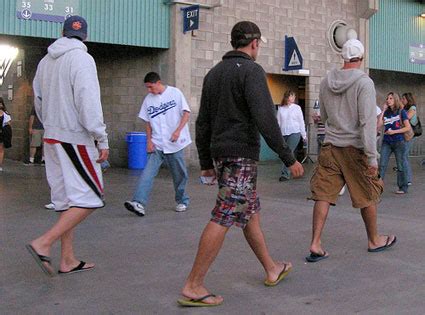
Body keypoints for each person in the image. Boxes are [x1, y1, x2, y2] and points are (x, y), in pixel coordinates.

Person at [178, 21, 304, 307]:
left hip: (222, 156)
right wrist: (289, 158)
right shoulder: (251, 71)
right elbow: (265, 119)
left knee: (249, 212)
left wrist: (207, 162)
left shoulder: (213, 74)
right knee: (224, 214)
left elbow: (203, 123)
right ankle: (193, 285)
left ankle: (272, 268)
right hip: (240, 157)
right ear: (255, 43)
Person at [27, 15, 109, 276]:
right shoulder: (82, 59)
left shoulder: (44, 62)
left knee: (65, 201)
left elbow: (37, 98)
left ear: (62, 33)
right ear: (84, 35)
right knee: (92, 197)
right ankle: (44, 242)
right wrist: (101, 136)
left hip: (52, 136)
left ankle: (68, 260)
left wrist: (49, 123)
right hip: (75, 137)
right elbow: (88, 101)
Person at [306, 39, 396, 263]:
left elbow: (324, 117)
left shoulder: (327, 81)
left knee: (324, 194)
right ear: (361, 59)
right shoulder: (364, 83)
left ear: (343, 58)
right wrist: (372, 157)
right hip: (355, 148)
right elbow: (367, 122)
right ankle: (374, 239)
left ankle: (316, 243)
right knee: (367, 194)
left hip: (330, 146)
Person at [124, 72, 191, 216]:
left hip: (174, 142)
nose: (149, 90)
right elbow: (147, 122)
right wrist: (148, 141)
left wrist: (178, 131)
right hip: (157, 143)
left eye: (150, 87)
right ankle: (139, 202)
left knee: (179, 174)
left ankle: (182, 200)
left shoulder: (175, 93)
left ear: (158, 82)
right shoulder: (148, 100)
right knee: (147, 173)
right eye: (147, 88)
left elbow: (186, 113)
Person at [378, 92, 411, 194]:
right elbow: (379, 125)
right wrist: (383, 110)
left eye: (391, 98)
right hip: (386, 142)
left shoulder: (401, 112)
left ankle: (403, 187)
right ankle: (377, 187)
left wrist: (394, 131)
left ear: (395, 100)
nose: (388, 100)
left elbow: (407, 127)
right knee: (382, 164)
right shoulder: (386, 112)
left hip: (399, 141)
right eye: (387, 98)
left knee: (400, 165)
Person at [277, 90, 306, 181]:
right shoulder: (281, 108)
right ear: (287, 97)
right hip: (283, 133)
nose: (293, 98)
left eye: (294, 96)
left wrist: (304, 135)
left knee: (289, 151)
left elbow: (301, 121)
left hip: (295, 132)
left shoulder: (297, 108)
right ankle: (297, 170)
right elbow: (278, 122)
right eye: (291, 96)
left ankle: (285, 174)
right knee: (287, 153)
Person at [401, 92, 418, 185]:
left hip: (409, 135)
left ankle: (407, 179)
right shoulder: (405, 108)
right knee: (403, 156)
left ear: (408, 99)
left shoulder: (412, 108)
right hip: (404, 134)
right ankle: (405, 177)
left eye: (403, 99)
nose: (402, 100)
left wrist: (401, 108)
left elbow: (406, 118)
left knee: (404, 156)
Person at [0, 97, 12, 172]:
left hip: (2, 133)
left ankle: (0, 165)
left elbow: (9, 123)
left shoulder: (5, 114)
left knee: (1, 149)